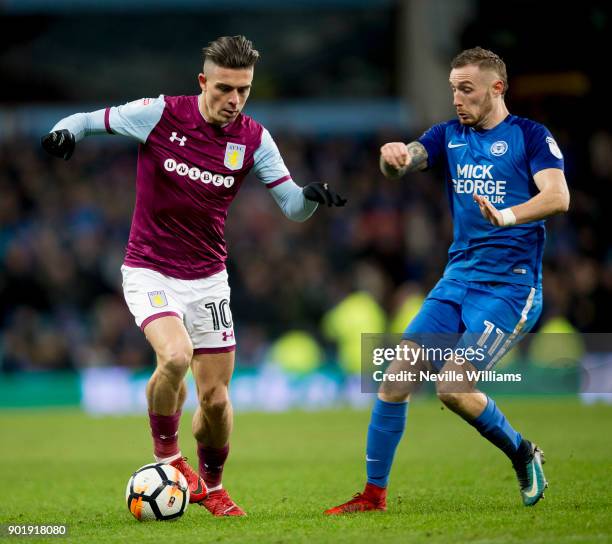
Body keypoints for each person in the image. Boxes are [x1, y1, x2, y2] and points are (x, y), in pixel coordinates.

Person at [41, 35, 346, 517]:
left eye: (243, 91)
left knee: (217, 402)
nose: (234, 100)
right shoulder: (159, 114)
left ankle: (213, 486)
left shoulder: (253, 138)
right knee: (176, 355)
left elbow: (290, 206)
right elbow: (84, 121)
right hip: (149, 269)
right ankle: (168, 458)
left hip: (208, 279)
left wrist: (309, 195)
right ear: (203, 81)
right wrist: (65, 134)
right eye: (225, 88)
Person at [325, 47, 569, 515]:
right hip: (456, 280)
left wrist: (508, 215)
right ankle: (373, 496)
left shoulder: (530, 137)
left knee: (453, 388)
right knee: (396, 377)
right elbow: (406, 161)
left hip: (510, 287)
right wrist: (392, 157)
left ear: (497, 88)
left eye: (466, 89)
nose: (457, 99)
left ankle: (523, 453)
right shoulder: (447, 136)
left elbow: (558, 196)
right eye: (453, 88)